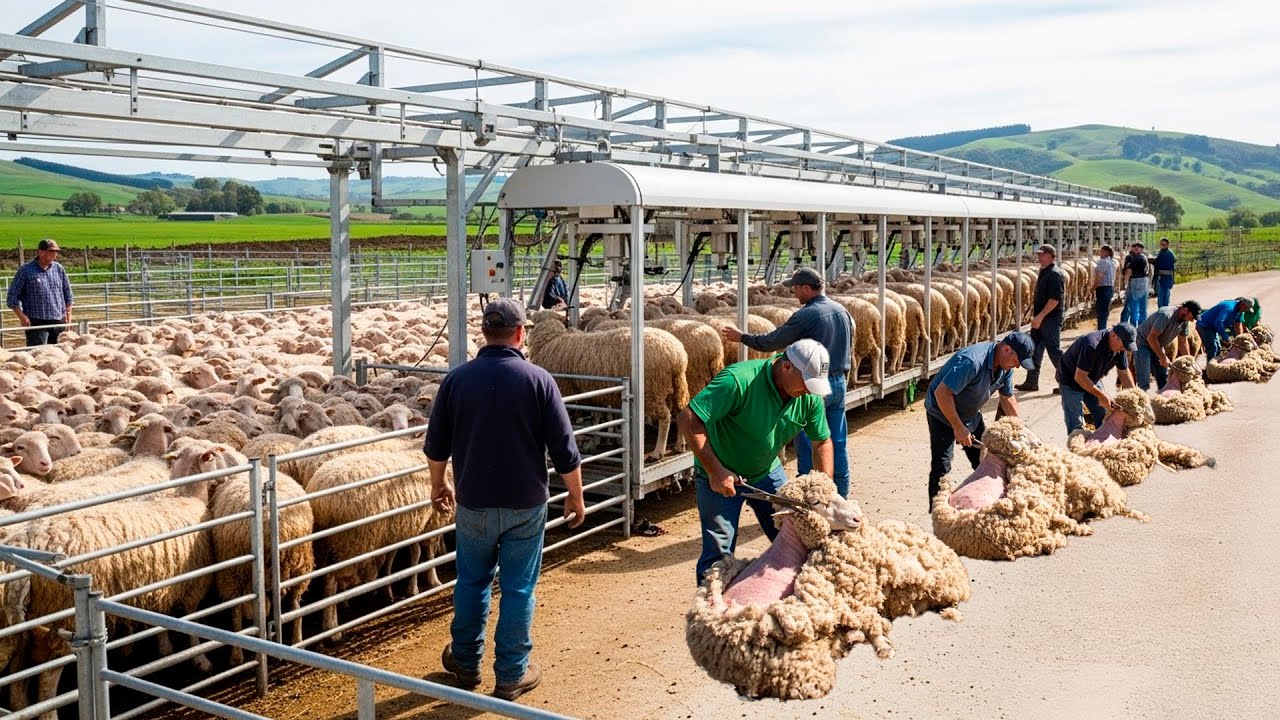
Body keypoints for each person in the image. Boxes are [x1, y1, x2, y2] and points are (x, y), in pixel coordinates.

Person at [425, 298, 585, 701]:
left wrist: (438, 485)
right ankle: (512, 673)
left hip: (475, 501)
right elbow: (565, 450)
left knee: (472, 582)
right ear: (519, 333)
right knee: (517, 589)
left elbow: (436, 445)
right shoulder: (538, 380)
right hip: (525, 503)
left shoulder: (457, 380)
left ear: (484, 332)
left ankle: (464, 661)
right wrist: (576, 497)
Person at [675, 338, 834, 583]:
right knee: (718, 553)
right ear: (786, 367)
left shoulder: (808, 396)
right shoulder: (739, 380)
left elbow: (822, 442)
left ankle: (793, 602)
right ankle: (709, 615)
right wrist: (716, 471)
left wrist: (825, 491)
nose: (810, 389)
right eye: (807, 382)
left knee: (797, 536)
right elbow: (688, 418)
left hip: (767, 472)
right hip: (719, 475)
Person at [720, 267, 854, 497]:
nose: (793, 293)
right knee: (835, 442)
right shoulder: (841, 310)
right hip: (838, 382)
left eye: (795, 287)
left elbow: (774, 341)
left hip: (811, 384)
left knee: (809, 443)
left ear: (805, 287)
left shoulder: (807, 315)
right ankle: (840, 497)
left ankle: (808, 499)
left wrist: (742, 337)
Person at [924, 332, 1035, 513]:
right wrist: (958, 427)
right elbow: (942, 394)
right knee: (942, 465)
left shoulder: (1004, 368)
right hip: (942, 413)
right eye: (1017, 361)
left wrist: (1021, 430)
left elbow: (1007, 398)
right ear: (1007, 350)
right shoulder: (972, 362)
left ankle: (984, 505)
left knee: (986, 459)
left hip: (970, 413)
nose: (1017, 366)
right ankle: (938, 516)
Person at [1057, 323, 1138, 434]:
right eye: (1123, 345)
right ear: (1114, 335)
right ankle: (1078, 448)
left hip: (1091, 378)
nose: (1124, 349)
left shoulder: (1120, 348)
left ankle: (1103, 443)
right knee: (1076, 423)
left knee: (1104, 415)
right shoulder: (1092, 345)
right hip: (1071, 379)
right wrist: (1101, 395)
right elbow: (1080, 377)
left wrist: (1135, 396)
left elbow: (1123, 372)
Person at [1016, 244, 1066, 393]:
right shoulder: (1044, 272)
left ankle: (1067, 382)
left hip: (1050, 319)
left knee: (1054, 350)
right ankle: (1032, 382)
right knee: (1034, 350)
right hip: (1040, 318)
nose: (1039, 257)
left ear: (1050, 255)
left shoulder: (1055, 274)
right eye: (1038, 254)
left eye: (1042, 254)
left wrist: (1040, 317)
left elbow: (1054, 299)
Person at [6, 238, 74, 347]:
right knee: (38, 355)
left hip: (59, 321)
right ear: (40, 252)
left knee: (60, 355)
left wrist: (69, 313)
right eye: (51, 251)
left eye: (55, 252)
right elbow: (12, 296)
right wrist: (22, 316)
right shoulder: (25, 271)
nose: (54, 254)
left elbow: (68, 293)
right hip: (36, 322)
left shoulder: (59, 269)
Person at [1133, 301, 1202, 391]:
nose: (1192, 320)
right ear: (1185, 310)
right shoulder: (1165, 315)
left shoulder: (1184, 322)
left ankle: (1164, 401)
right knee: (1144, 380)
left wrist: (1189, 361)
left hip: (1158, 344)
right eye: (1192, 316)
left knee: (1164, 378)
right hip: (1142, 343)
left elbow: (1183, 342)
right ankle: (1142, 402)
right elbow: (1151, 338)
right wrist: (1162, 357)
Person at [1120, 242, 1151, 327]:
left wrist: (1125, 284)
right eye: (1134, 246)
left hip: (1135, 281)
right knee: (1143, 307)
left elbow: (1128, 271)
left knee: (1133, 306)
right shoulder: (1144, 257)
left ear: (1141, 249)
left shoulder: (1131, 257)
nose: (1136, 248)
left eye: (1138, 247)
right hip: (1144, 282)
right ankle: (1143, 327)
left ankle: (1133, 326)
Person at [1092, 245, 1118, 331]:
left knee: (1101, 311)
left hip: (1103, 288)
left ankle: (1101, 330)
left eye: (1101, 252)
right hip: (1109, 288)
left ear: (1106, 252)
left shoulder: (1103, 262)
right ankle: (1103, 328)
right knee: (1105, 310)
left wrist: (1094, 286)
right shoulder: (1112, 262)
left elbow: (1100, 275)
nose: (1100, 254)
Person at [1154, 237, 1177, 308]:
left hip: (1165, 278)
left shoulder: (1168, 254)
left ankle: (1163, 313)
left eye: (1163, 244)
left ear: (1167, 245)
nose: (1162, 246)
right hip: (1163, 278)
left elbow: (1160, 263)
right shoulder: (1163, 252)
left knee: (1163, 297)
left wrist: (1152, 261)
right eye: (1161, 244)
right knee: (1161, 297)